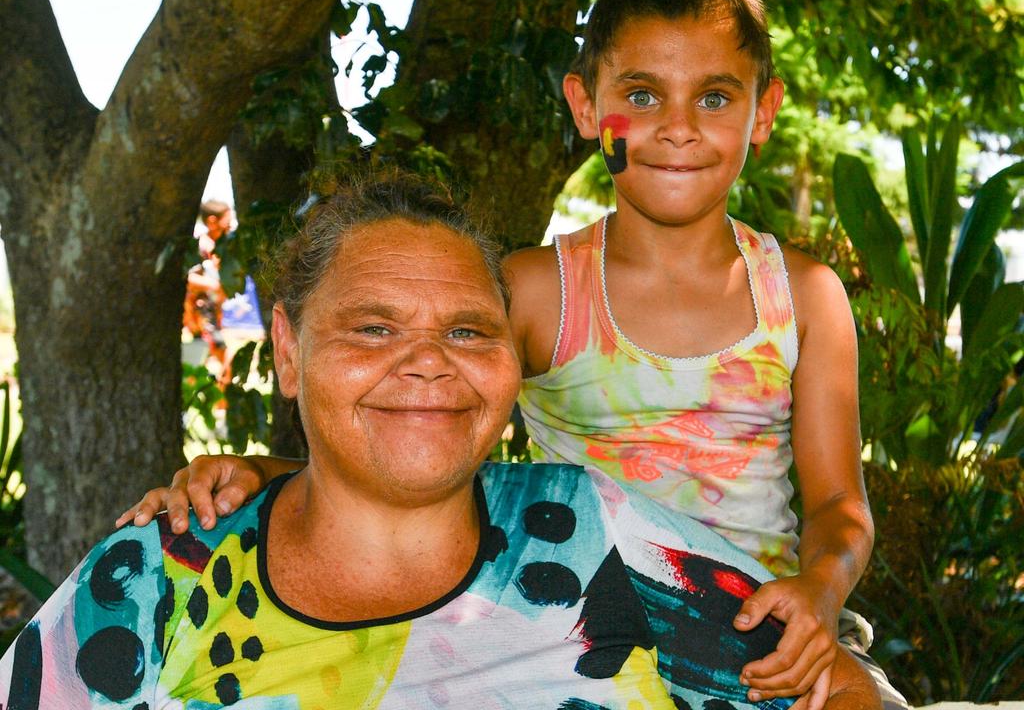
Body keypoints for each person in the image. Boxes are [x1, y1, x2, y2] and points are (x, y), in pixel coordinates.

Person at [119, 0, 908, 710]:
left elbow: (841, 502)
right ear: (586, 106)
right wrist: (259, 474)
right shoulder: (539, 291)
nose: (676, 127)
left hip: (771, 638)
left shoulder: (803, 295)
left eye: (714, 97)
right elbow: (427, 443)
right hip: (577, 633)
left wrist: (818, 592)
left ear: (762, 112)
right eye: (641, 94)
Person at [0, 174, 882, 709]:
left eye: (468, 332)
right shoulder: (164, 572)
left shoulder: (593, 530)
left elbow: (837, 685)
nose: (428, 365)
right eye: (374, 329)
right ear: (290, 352)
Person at [183, 199, 234, 386]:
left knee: (201, 360)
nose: (230, 225)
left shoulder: (221, 247)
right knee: (221, 356)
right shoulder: (201, 247)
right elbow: (188, 279)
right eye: (226, 221)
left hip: (214, 314)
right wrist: (215, 285)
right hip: (201, 315)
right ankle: (224, 403)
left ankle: (221, 403)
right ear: (212, 221)